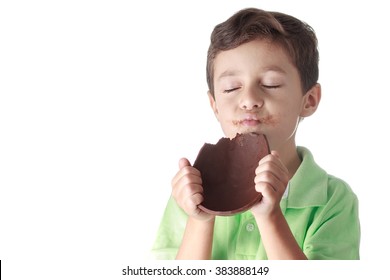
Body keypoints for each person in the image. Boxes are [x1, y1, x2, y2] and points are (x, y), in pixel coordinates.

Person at [151, 7, 360, 260]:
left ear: (310, 100)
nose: (249, 100)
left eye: (270, 84)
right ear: (215, 105)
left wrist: (269, 216)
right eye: (231, 88)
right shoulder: (190, 192)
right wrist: (200, 220)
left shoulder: (332, 199)